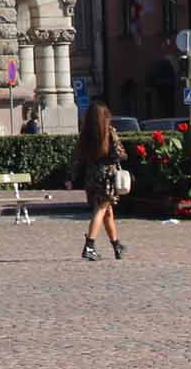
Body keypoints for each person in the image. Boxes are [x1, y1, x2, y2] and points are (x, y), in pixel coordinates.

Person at [73, 100, 126, 261]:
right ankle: (89, 245)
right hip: (107, 176)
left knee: (107, 211)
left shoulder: (85, 134)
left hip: (91, 175)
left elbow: (78, 156)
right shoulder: (109, 131)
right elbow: (120, 153)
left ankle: (116, 245)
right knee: (101, 210)